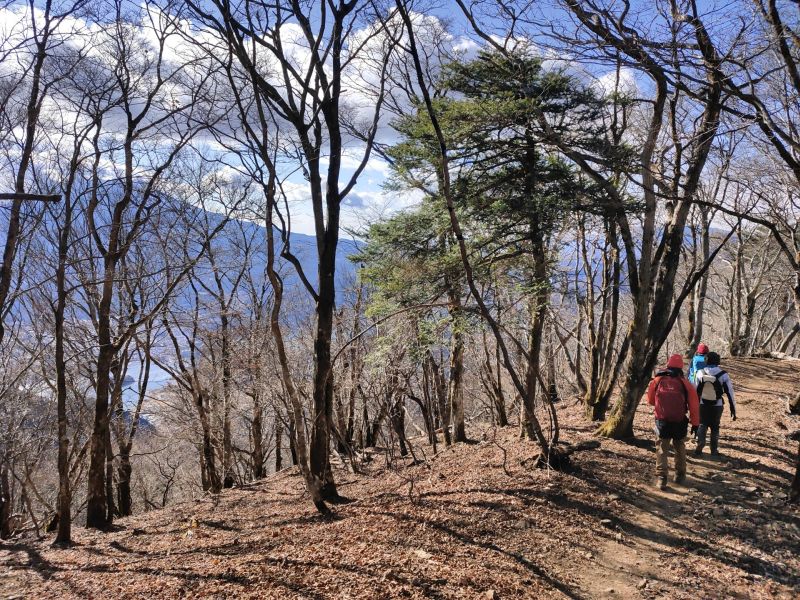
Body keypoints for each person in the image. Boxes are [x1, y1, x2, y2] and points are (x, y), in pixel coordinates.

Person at [647, 354, 700, 490]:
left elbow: (650, 400)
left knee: (661, 448)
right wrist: (695, 423)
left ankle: (661, 479)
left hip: (661, 420)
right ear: (681, 366)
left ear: (668, 364)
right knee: (679, 446)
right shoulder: (685, 382)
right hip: (679, 421)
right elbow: (694, 405)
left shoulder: (658, 379)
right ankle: (680, 475)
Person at [693, 351, 736, 457]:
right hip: (717, 405)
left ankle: (700, 446)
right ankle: (714, 451)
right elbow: (730, 392)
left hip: (703, 404)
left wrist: (694, 406)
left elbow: (695, 390)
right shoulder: (723, 374)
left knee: (702, 424)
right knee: (715, 427)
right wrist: (733, 409)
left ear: (706, 361)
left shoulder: (699, 372)